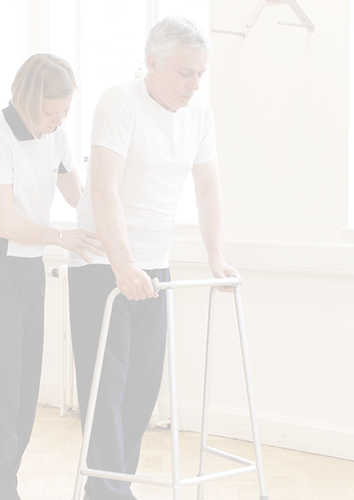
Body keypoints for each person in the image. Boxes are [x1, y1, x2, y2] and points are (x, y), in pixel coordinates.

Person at [68, 16, 239, 500]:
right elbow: (103, 188)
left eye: (200, 74)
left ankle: (106, 491)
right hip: (102, 263)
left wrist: (216, 258)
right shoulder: (120, 101)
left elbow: (208, 191)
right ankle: (110, 493)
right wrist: (123, 264)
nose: (193, 84)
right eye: (184, 73)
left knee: (141, 392)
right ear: (151, 64)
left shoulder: (199, 115)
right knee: (106, 390)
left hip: (153, 266)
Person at [0, 53, 103, 500]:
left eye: (64, 112)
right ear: (25, 97)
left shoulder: (56, 135)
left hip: (29, 275)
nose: (57, 122)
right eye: (49, 112)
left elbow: (80, 199)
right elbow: (5, 223)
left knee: (21, 404)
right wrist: (63, 237)